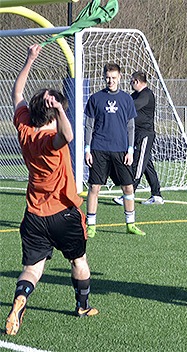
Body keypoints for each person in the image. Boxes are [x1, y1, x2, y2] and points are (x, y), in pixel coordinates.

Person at [8, 44, 99, 335]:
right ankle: (82, 305)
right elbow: (68, 135)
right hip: (63, 213)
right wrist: (60, 108)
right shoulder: (50, 141)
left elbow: (17, 93)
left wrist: (29, 59)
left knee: (33, 269)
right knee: (79, 261)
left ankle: (21, 297)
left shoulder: (24, 129)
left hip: (34, 214)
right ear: (53, 114)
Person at [84, 63, 146, 237]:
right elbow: (89, 125)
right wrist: (87, 149)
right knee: (94, 188)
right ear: (104, 77)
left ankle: (130, 224)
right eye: (107, 78)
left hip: (121, 150)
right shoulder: (95, 98)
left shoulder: (126, 99)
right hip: (99, 149)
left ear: (119, 78)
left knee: (128, 188)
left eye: (113, 78)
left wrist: (130, 150)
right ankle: (91, 225)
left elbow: (131, 126)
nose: (110, 81)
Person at [113, 71, 164, 206]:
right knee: (147, 165)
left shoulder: (146, 94)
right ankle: (156, 194)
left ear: (136, 81)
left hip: (145, 134)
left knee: (137, 164)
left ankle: (129, 194)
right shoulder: (134, 95)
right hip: (136, 134)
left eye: (131, 81)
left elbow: (131, 107)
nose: (130, 83)